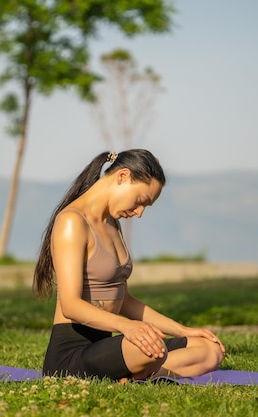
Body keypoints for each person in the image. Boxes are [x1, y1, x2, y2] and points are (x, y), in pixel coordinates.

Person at [33, 149, 225, 381]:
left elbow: (123, 300)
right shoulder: (72, 221)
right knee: (152, 349)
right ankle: (139, 372)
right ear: (123, 176)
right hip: (71, 356)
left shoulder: (112, 221)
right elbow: (70, 305)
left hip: (110, 347)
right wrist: (129, 327)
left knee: (208, 349)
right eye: (140, 201)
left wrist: (182, 330)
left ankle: (133, 378)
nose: (139, 213)